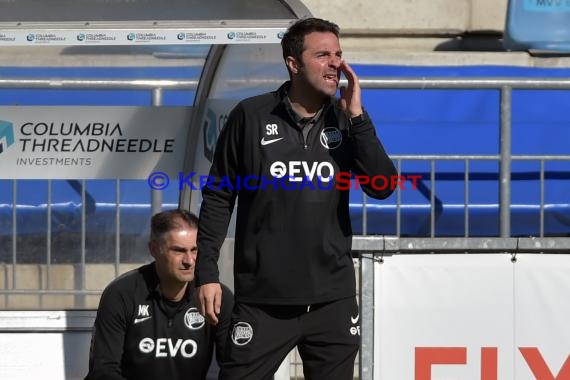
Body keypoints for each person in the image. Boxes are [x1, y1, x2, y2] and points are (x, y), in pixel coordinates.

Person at [195, 17, 397, 380]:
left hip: (331, 301)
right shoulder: (251, 116)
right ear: (293, 64)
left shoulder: (347, 119)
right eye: (323, 55)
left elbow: (382, 186)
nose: (336, 63)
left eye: (338, 54)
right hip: (263, 301)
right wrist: (206, 273)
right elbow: (219, 197)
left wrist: (358, 116)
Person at [85, 209, 233, 380]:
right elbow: (103, 371)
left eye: (194, 250)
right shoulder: (121, 294)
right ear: (154, 249)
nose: (189, 261)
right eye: (178, 251)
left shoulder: (216, 296)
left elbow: (235, 366)